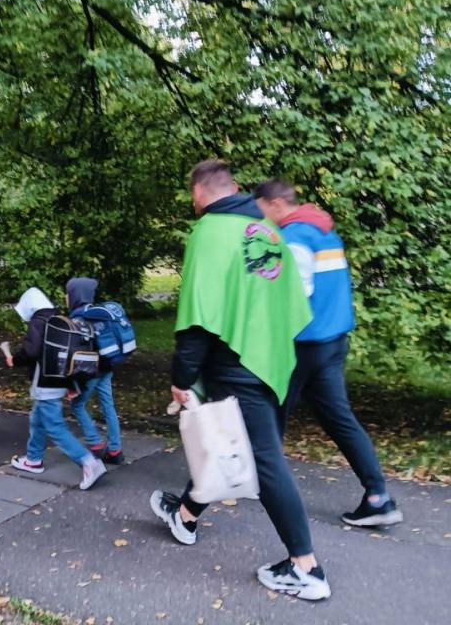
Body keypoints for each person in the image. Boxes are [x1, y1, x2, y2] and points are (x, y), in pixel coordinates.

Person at [149, 159, 330, 601]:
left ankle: (306, 568)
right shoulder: (267, 232)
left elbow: (198, 318)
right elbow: (291, 304)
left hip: (235, 365)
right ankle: (187, 514)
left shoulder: (209, 233)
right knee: (232, 443)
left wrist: (182, 376)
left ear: (199, 192)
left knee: (264, 460)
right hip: (270, 357)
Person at [256, 178, 402, 527]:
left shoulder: (293, 238)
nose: (260, 216)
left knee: (268, 413)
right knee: (339, 419)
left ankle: (264, 486)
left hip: (303, 344)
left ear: (274, 203)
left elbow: (295, 296)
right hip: (334, 340)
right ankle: (378, 496)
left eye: (260, 208)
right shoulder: (325, 232)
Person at [4, 287, 106, 491]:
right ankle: (33, 459)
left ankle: (89, 462)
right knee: (37, 418)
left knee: (55, 427)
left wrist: (14, 359)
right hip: (59, 380)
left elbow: (31, 351)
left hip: (45, 383)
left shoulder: (38, 321)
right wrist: (70, 384)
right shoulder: (58, 319)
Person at [65, 277, 124, 465]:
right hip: (107, 367)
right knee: (108, 405)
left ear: (74, 295)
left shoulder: (77, 318)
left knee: (77, 405)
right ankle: (115, 450)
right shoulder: (98, 313)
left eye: (67, 294)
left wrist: (73, 384)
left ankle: (95, 442)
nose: (66, 298)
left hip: (91, 371)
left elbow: (76, 354)